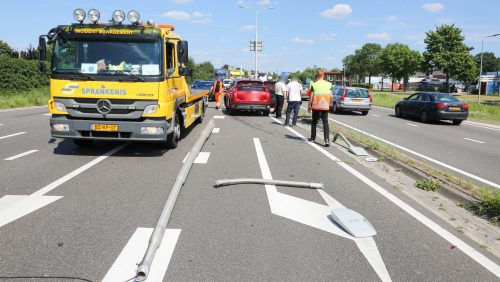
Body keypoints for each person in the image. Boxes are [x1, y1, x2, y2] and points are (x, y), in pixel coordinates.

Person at [308, 69, 332, 147]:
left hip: (316, 106)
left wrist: (309, 106)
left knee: (314, 122)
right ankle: (326, 140)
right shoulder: (329, 84)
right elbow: (331, 96)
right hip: (325, 106)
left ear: (317, 76)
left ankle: (312, 138)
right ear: (323, 75)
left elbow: (311, 97)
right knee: (325, 123)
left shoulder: (314, 85)